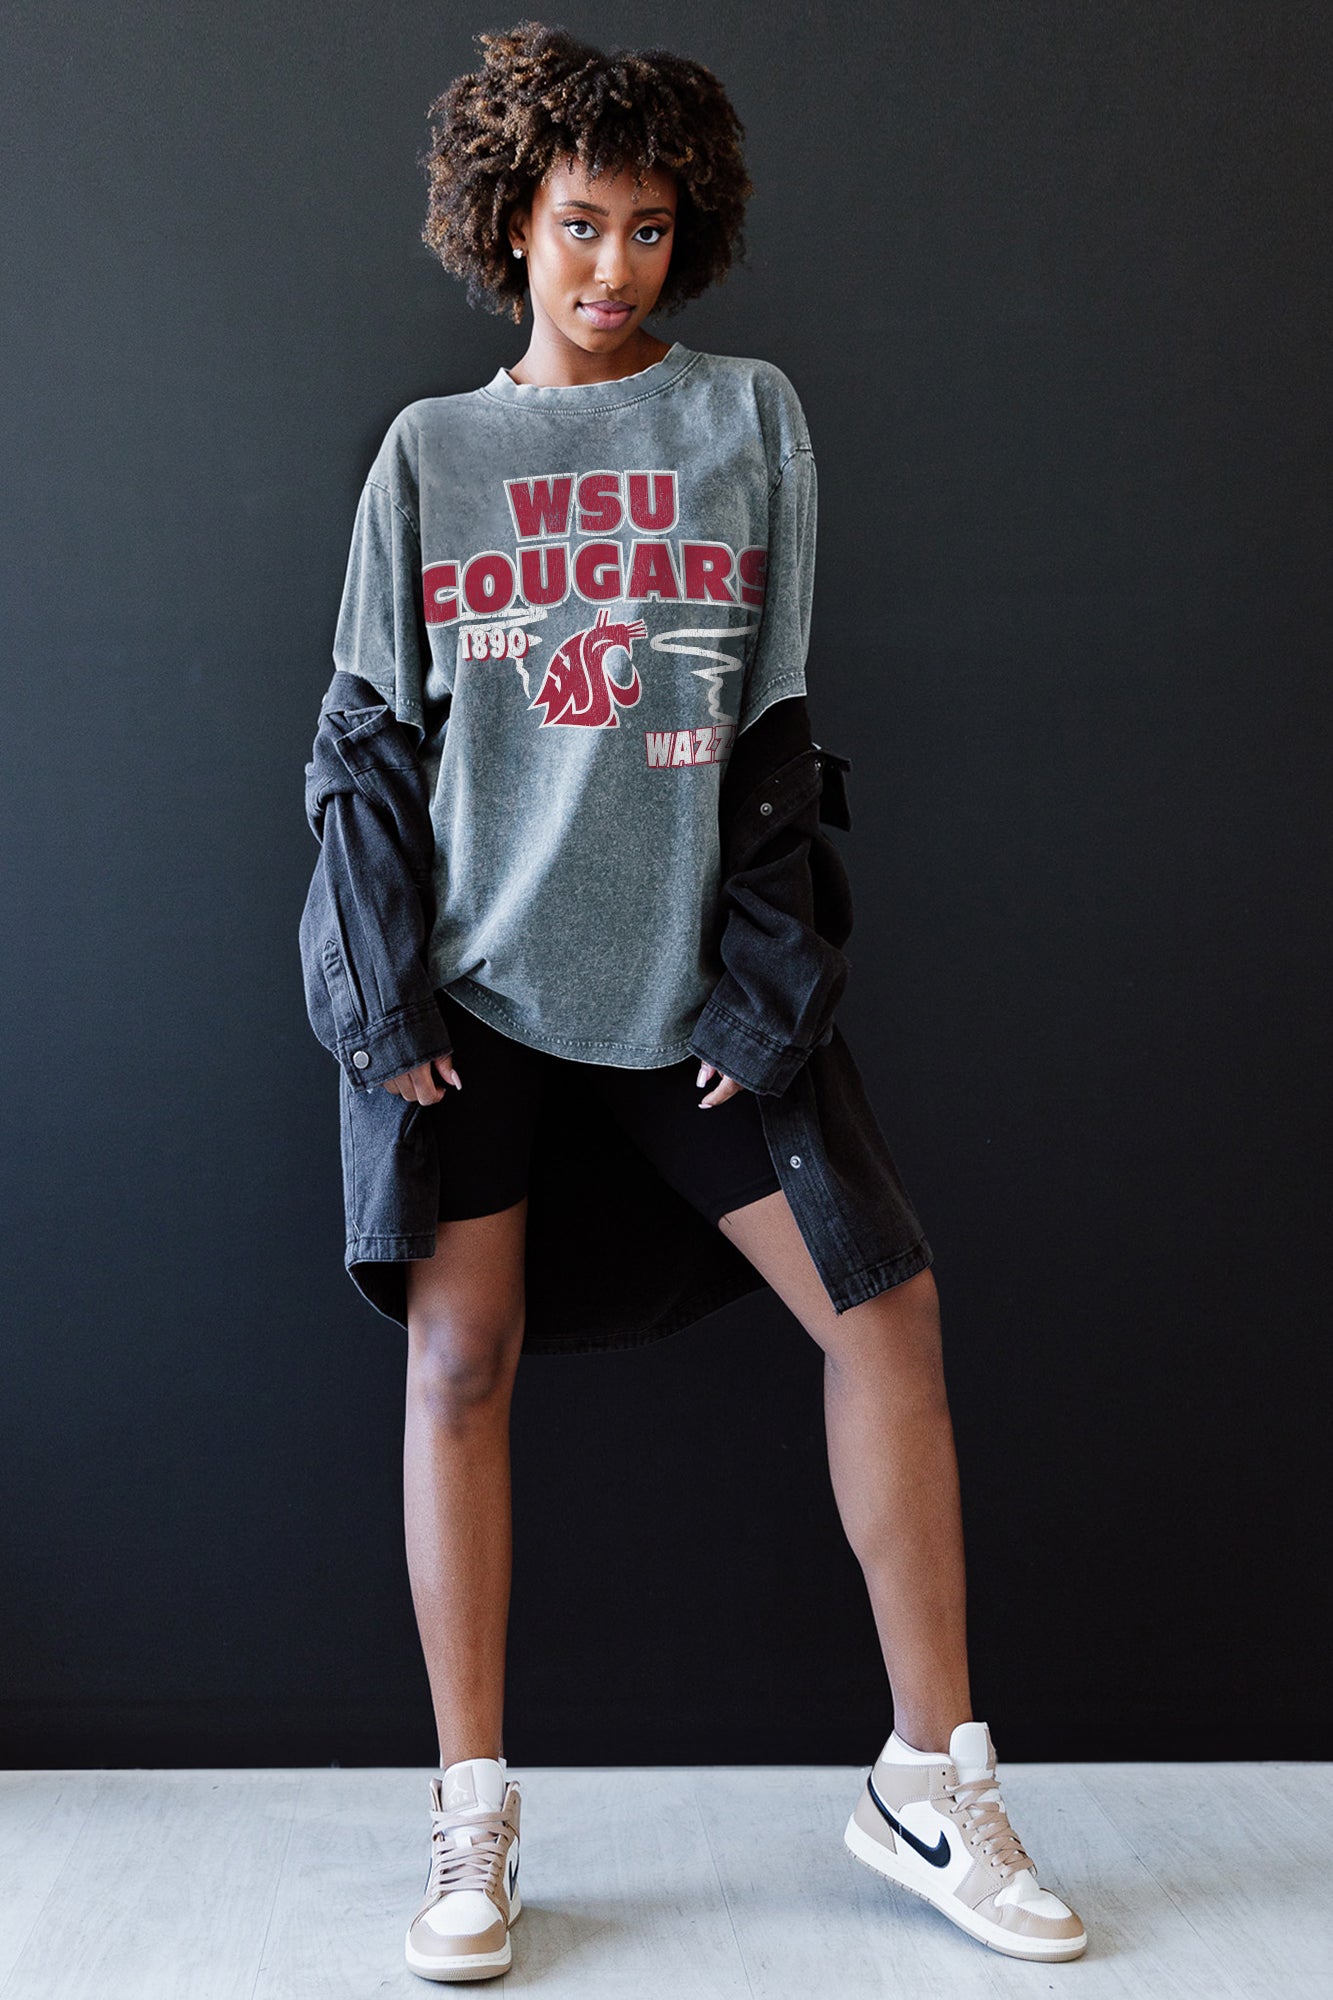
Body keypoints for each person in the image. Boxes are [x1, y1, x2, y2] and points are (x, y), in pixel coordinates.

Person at [300, 20, 1087, 1981]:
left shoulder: (746, 417)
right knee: (456, 1365)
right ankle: (471, 1815)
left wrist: (766, 977)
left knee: (885, 1312)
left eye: (648, 230)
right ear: (512, 218)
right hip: (475, 992)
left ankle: (931, 1777)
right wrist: (380, 997)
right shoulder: (432, 454)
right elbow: (364, 749)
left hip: (691, 991)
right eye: (581, 223)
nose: (612, 267)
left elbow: (775, 723)